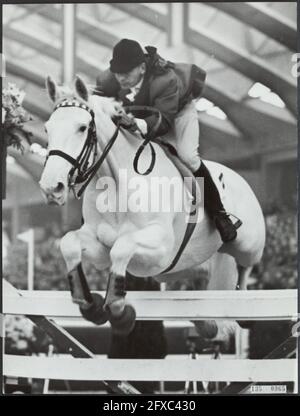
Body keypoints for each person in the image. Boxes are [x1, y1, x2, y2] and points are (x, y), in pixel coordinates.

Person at [95, 38, 241, 242]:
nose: (121, 78)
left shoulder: (166, 81)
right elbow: (94, 106)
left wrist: (136, 124)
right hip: (143, 115)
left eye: (126, 73)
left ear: (143, 68)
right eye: (117, 72)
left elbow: (164, 121)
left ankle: (220, 214)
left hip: (176, 113)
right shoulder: (107, 80)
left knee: (187, 156)